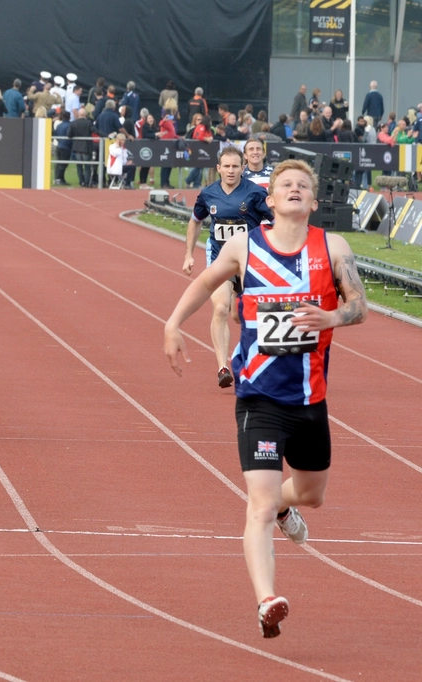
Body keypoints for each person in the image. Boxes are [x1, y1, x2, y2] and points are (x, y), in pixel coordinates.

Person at [164, 159, 367, 639]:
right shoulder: (245, 245)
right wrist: (172, 323)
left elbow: (359, 305)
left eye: (303, 186)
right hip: (258, 397)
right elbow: (205, 283)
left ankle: (283, 507)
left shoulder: (332, 246)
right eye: (285, 186)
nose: (294, 190)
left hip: (309, 399)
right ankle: (267, 599)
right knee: (258, 503)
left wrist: (331, 318)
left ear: (314, 202)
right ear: (269, 201)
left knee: (312, 495)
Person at [182, 146, 272, 387]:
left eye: (235, 166)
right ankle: (223, 367)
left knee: (238, 314)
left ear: (243, 168)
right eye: (227, 166)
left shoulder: (255, 193)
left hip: (249, 262)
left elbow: (276, 221)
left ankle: (248, 356)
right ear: (218, 168)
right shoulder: (208, 194)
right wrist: (189, 254)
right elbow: (195, 221)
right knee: (221, 308)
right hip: (220, 260)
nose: (231, 171)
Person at [53, 108, 72, 185]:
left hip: (59, 145)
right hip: (66, 147)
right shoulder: (70, 125)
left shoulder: (59, 125)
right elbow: (70, 135)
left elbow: (55, 135)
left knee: (60, 163)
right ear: (69, 117)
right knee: (63, 164)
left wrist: (60, 141)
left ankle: (61, 179)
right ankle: (58, 178)